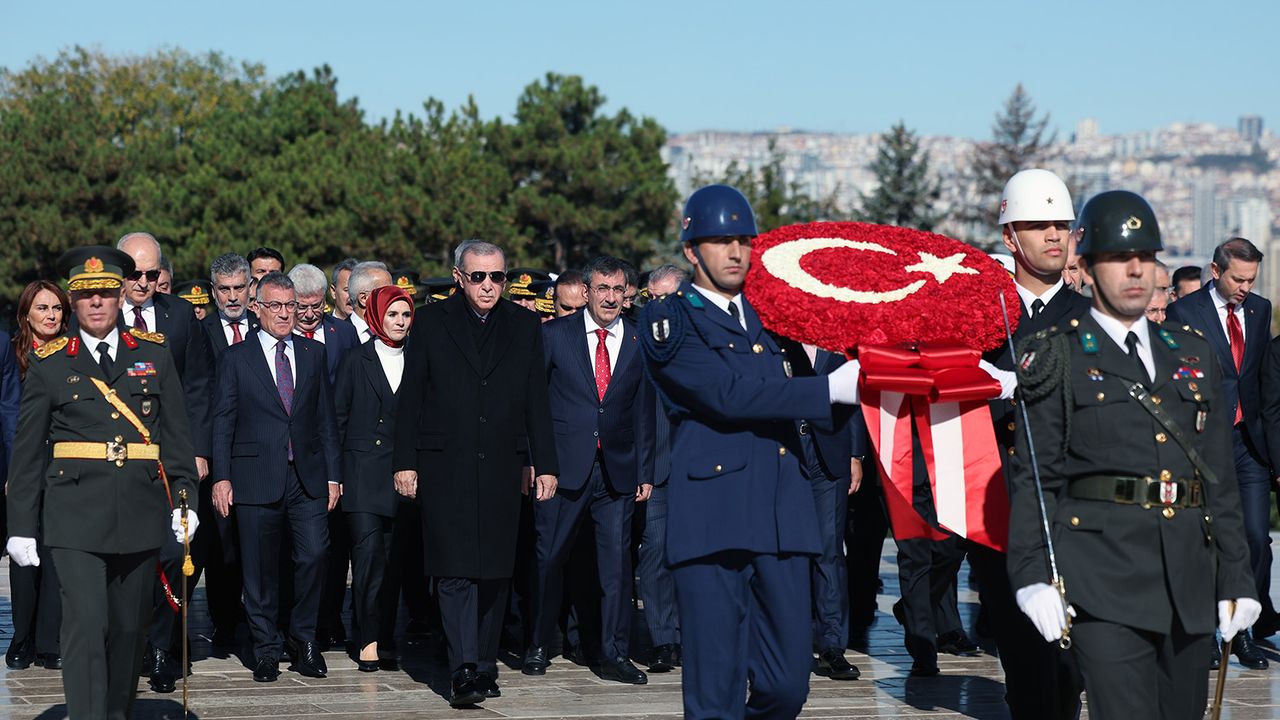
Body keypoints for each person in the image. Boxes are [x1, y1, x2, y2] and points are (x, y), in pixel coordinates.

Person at [1009, 190, 1259, 719]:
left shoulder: (1190, 353)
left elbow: (1217, 480)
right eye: (1119, 258)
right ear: (1088, 266)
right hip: (1101, 578)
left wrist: (1237, 577)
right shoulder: (1057, 352)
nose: (1135, 271)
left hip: (1187, 579)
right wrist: (1032, 573)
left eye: (1144, 258)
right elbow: (1036, 475)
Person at [639, 185, 862, 719]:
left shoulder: (775, 315)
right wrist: (826, 390)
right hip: (714, 518)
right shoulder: (670, 320)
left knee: (788, 685)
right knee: (715, 695)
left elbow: (818, 368)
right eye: (720, 241)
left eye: (744, 240)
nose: (737, 252)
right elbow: (727, 394)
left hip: (783, 515)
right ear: (692, 250)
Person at [6, 245, 199, 720]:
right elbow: (28, 453)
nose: (96, 302)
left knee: (130, 631)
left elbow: (174, 437)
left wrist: (185, 498)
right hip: (73, 518)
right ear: (73, 300)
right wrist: (20, 526)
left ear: (121, 298)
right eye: (86, 294)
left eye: (106, 293)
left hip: (139, 514)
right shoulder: (51, 363)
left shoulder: (153, 354)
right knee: (86, 626)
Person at [393, 239, 559, 707]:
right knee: (453, 570)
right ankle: (462, 666)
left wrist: (544, 464)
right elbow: (412, 397)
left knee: (494, 571)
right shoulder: (430, 322)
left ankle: (485, 664)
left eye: (497, 277)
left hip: (504, 464)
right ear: (459, 277)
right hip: (445, 463)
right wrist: (404, 461)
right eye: (479, 276)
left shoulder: (525, 324)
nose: (489, 286)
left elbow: (535, 401)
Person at [975, 169, 1089, 716]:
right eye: (1037, 225)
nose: (1052, 236)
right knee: (1022, 659)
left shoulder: (1092, 317)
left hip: (1075, 510)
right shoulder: (979, 316)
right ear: (1009, 238)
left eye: (1061, 226)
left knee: (1070, 665)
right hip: (1003, 504)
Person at [524, 256, 654, 684]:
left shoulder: (637, 340)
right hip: (560, 471)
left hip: (616, 472)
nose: (611, 298)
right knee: (548, 559)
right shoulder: (554, 336)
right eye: (603, 289)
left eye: (619, 290)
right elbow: (534, 405)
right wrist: (535, 461)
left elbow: (642, 410)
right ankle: (539, 643)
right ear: (587, 291)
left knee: (616, 568)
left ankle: (615, 654)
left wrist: (644, 470)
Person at [210, 271, 341, 682]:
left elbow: (326, 421)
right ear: (257, 307)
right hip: (254, 475)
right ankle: (265, 647)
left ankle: (303, 640)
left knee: (315, 554)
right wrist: (221, 477)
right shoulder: (235, 358)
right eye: (277, 306)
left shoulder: (313, 354)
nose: (286, 314)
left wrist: (334, 475)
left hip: (307, 477)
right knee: (260, 570)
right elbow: (223, 420)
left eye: (293, 306)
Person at [1165, 237, 1274, 667]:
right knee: (1204, 538)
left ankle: (1242, 627)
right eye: (1238, 279)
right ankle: (1207, 630)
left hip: (1250, 442)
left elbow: (1259, 373)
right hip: (1203, 442)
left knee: (1253, 538)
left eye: (1251, 279)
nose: (1245, 287)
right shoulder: (1184, 312)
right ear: (1216, 272)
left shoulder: (1261, 310)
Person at [116, 231, 215, 693]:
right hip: (115, 460)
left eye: (151, 273)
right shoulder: (100, 314)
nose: (142, 282)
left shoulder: (179, 316)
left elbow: (196, 385)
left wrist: (195, 450)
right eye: (133, 273)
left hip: (169, 459)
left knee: (176, 551)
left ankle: (161, 647)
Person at [766, 331, 864, 682]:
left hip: (830, 456)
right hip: (784, 454)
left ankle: (832, 644)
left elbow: (853, 398)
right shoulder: (771, 339)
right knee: (784, 550)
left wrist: (856, 454)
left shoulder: (838, 340)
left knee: (828, 551)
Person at [333, 284, 414, 671]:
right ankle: (366, 637)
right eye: (392, 314)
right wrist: (337, 475)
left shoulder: (419, 359)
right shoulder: (355, 360)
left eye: (405, 314)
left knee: (396, 560)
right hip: (362, 475)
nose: (399, 321)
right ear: (376, 315)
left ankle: (385, 633)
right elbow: (337, 420)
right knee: (367, 560)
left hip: (406, 476)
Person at [289, 262, 360, 649]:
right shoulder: (276, 333)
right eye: (303, 306)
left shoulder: (343, 332)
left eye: (316, 306)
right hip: (292, 452)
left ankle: (329, 619)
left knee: (332, 547)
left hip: (334, 452)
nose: (310, 313)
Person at [6, 281, 67, 671]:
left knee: (57, 552)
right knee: (24, 553)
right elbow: (8, 415)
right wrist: (15, 468)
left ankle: (50, 640)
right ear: (26, 313)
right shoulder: (12, 355)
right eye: (42, 308)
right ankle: (22, 636)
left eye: (57, 308)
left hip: (64, 461)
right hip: (26, 463)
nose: (50, 315)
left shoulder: (75, 353)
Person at [634, 264, 686, 672]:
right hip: (659, 469)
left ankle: (700, 635)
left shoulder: (712, 337)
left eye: (665, 298)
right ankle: (664, 639)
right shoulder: (641, 341)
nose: (657, 306)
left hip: (710, 468)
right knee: (655, 556)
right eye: (650, 299)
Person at [347, 261, 393, 342]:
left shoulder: (396, 332)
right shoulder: (337, 336)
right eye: (386, 293)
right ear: (364, 298)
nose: (393, 298)